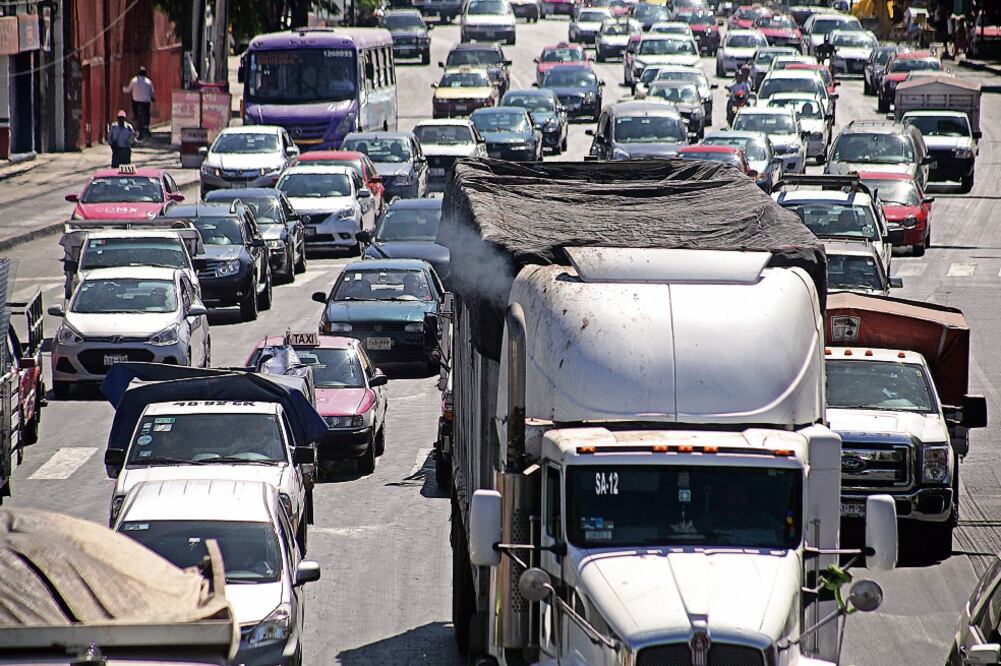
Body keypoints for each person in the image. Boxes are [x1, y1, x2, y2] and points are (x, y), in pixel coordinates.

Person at [123, 66, 155, 140]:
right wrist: (152, 97)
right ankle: (146, 126)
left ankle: (136, 118)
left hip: (136, 102)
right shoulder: (148, 81)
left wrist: (122, 88)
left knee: (136, 114)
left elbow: (128, 90)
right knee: (147, 114)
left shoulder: (134, 80)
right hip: (146, 102)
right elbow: (152, 92)